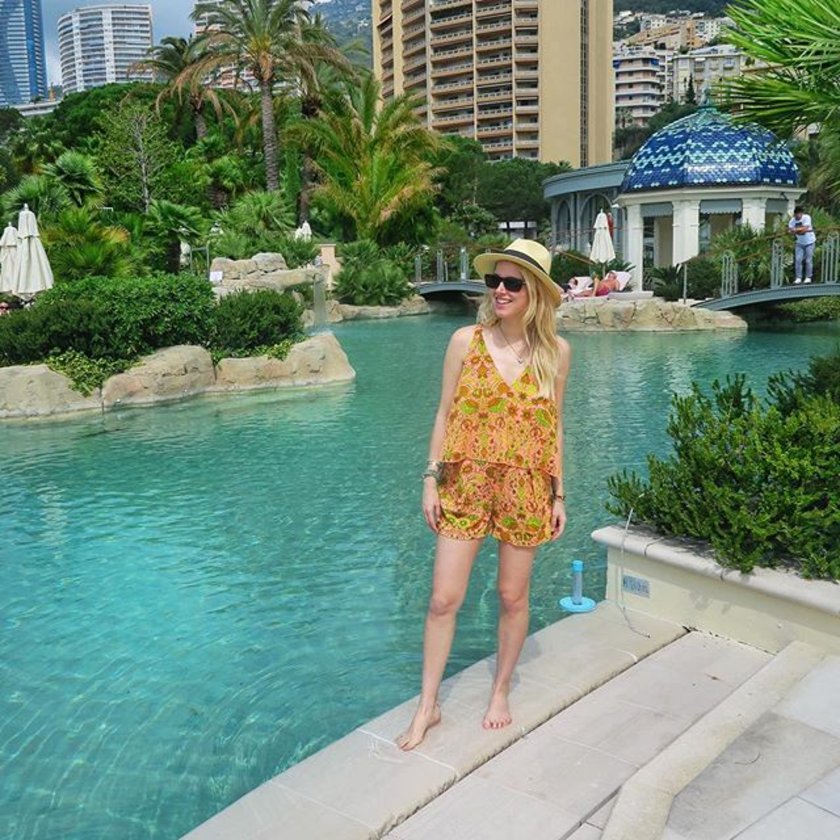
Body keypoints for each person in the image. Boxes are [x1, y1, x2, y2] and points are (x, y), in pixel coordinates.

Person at [396, 239, 571, 751]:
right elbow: (444, 413)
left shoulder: (556, 353)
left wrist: (559, 494)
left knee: (512, 597)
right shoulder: (464, 342)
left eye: (513, 283)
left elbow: (555, 427)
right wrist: (430, 478)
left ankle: (500, 691)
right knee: (442, 599)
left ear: (535, 293)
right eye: (494, 280)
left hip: (526, 486)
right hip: (464, 482)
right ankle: (427, 706)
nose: (500, 290)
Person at [788, 206, 816, 284]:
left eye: (799, 214)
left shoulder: (806, 217)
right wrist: (799, 230)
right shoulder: (792, 221)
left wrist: (796, 230)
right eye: (796, 214)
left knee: (808, 260)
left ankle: (808, 277)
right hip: (799, 243)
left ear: (801, 213)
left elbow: (805, 229)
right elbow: (790, 231)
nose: (798, 216)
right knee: (798, 260)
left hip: (810, 242)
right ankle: (798, 277)